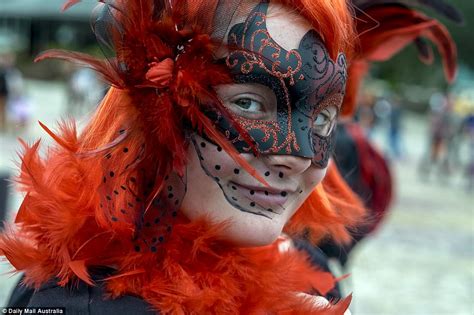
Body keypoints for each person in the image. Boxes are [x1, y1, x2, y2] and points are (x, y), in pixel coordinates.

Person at [0, 0, 459, 314]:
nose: (296, 156)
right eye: (248, 103)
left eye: (320, 119)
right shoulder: (72, 298)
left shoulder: (310, 277)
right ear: (153, 104)